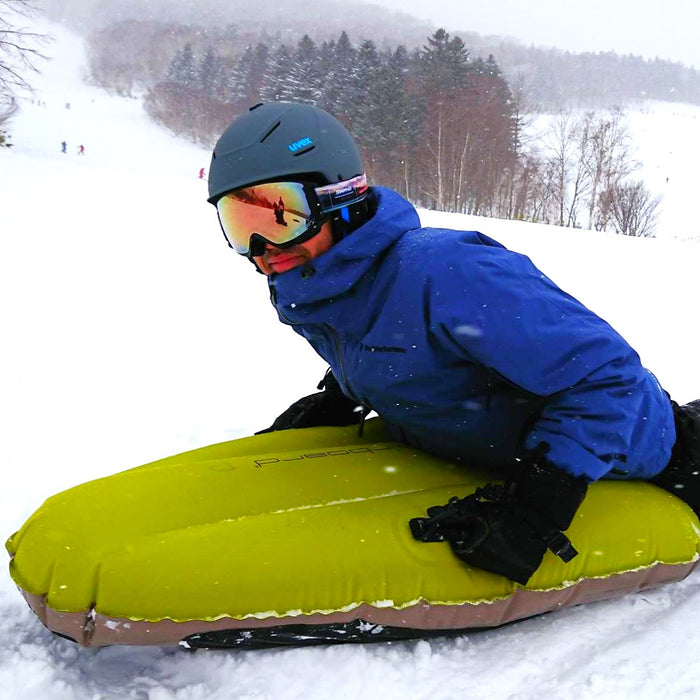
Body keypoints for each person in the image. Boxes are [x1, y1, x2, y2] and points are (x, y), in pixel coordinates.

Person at [206, 101, 700, 586]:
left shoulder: (445, 271)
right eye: (240, 226)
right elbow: (396, 345)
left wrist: (538, 503)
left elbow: (611, 384)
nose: (262, 250)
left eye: (278, 217)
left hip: (635, 456)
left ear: (340, 198)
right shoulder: (317, 286)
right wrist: (341, 394)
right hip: (485, 449)